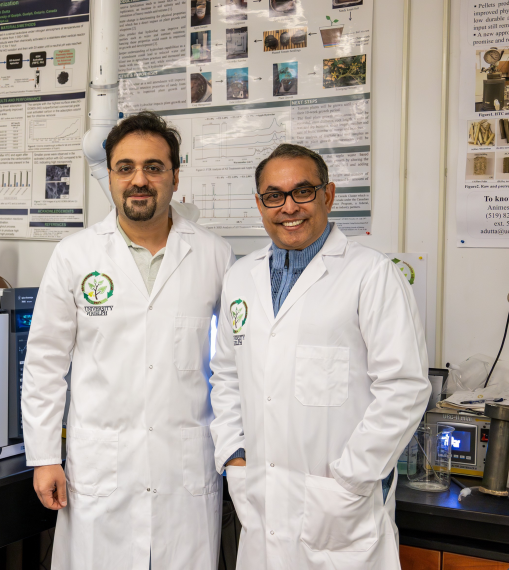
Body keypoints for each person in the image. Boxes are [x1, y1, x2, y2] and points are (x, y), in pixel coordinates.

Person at [22, 111, 235, 570]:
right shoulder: (75, 255)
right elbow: (44, 363)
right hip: (101, 471)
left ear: (175, 177)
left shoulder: (215, 255)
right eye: (126, 168)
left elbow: (232, 367)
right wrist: (43, 456)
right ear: (112, 176)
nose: (139, 179)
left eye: (154, 167)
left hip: (185, 473)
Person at [209, 144, 430, 569]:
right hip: (260, 497)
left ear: (327, 196)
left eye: (303, 192)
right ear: (260, 205)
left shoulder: (371, 274)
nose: (288, 207)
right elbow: (226, 376)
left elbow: (404, 387)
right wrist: (234, 455)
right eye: (274, 195)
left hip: (341, 507)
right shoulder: (240, 277)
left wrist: (350, 479)